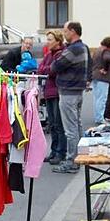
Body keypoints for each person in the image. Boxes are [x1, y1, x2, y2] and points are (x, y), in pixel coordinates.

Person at [51, 21, 88, 174]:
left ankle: (72, 160)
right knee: (77, 125)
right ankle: (79, 156)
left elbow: (55, 67)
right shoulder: (84, 47)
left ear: (72, 31)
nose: (64, 33)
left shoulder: (73, 49)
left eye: (65, 31)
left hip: (68, 91)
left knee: (70, 129)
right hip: (78, 91)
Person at [38, 30, 67, 165]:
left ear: (58, 41)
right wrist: (47, 70)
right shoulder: (49, 54)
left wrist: (47, 70)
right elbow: (41, 69)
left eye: (50, 39)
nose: (47, 42)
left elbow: (53, 71)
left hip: (57, 92)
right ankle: (54, 151)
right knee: (52, 124)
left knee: (59, 124)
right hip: (49, 91)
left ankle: (61, 152)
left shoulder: (61, 54)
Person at [91, 36, 110, 125]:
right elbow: (108, 59)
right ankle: (100, 118)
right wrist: (105, 69)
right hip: (103, 77)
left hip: (95, 75)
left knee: (97, 98)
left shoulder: (97, 50)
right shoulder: (106, 51)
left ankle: (97, 116)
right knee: (102, 99)